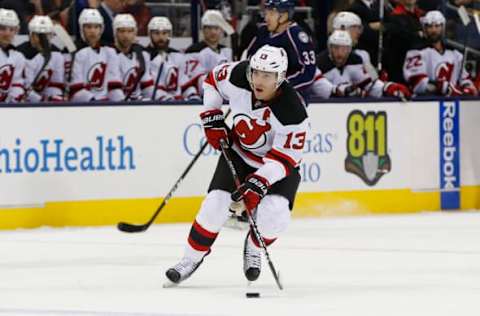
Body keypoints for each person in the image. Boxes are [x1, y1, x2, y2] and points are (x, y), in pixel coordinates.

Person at [165, 45, 308, 285]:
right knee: (214, 205)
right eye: (256, 73)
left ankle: (253, 246)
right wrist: (211, 118)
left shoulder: (293, 111)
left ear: (280, 77)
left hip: (276, 165)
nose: (258, 80)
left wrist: (259, 183)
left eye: (267, 75)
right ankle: (190, 259)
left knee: (275, 215)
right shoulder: (239, 75)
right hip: (239, 154)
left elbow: (285, 159)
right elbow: (212, 81)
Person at [311, 30, 410, 99]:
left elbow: (370, 84)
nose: (340, 53)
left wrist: (387, 87)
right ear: (329, 48)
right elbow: (319, 88)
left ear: (350, 49)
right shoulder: (319, 62)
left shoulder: (358, 58)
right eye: (336, 48)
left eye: (344, 48)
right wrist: (340, 91)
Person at [245, 0, 315, 96]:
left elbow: (308, 73)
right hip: (260, 91)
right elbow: (249, 59)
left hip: (289, 95)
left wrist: (279, 87)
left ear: (284, 16)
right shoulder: (263, 31)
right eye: (266, 13)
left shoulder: (296, 35)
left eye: (271, 14)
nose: (266, 18)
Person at [403, 11, 478, 96]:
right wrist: (444, 88)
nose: (433, 30)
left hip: (453, 103)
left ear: (443, 27)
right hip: (425, 104)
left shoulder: (455, 54)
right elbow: (417, 82)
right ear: (425, 29)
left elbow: (465, 80)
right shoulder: (416, 52)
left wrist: (467, 89)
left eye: (437, 26)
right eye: (430, 26)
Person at [69, 8, 124, 101]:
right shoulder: (74, 51)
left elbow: (114, 86)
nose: (93, 31)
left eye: (96, 27)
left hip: (104, 104)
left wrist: (122, 102)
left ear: (101, 29)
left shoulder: (110, 51)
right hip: (80, 106)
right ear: (81, 28)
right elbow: (76, 90)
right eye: (88, 27)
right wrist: (95, 103)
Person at [183, 9, 233, 98]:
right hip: (201, 98)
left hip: (225, 96)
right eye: (209, 28)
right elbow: (195, 81)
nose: (213, 32)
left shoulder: (227, 51)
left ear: (221, 30)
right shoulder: (194, 51)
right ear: (203, 29)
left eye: (216, 28)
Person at [147, 16, 198, 101]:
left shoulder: (177, 56)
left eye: (164, 33)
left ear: (169, 34)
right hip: (154, 105)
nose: (161, 37)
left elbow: (183, 81)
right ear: (149, 34)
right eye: (156, 33)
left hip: (176, 104)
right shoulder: (145, 56)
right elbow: (148, 88)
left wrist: (192, 94)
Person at [18, 15, 65, 102]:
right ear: (31, 35)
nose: (43, 39)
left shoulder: (57, 54)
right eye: (39, 35)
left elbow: (55, 84)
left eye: (47, 34)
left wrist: (55, 97)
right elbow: (24, 87)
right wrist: (42, 100)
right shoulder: (22, 54)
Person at [113, 13, 155, 101]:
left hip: (136, 104)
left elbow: (147, 86)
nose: (126, 35)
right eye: (122, 31)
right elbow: (113, 92)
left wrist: (155, 99)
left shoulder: (142, 55)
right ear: (115, 32)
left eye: (129, 31)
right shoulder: (109, 55)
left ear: (135, 32)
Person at [0, 8, 25, 102]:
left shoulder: (18, 57)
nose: (7, 33)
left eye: (11, 29)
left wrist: (14, 99)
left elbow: (17, 84)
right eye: (2, 28)